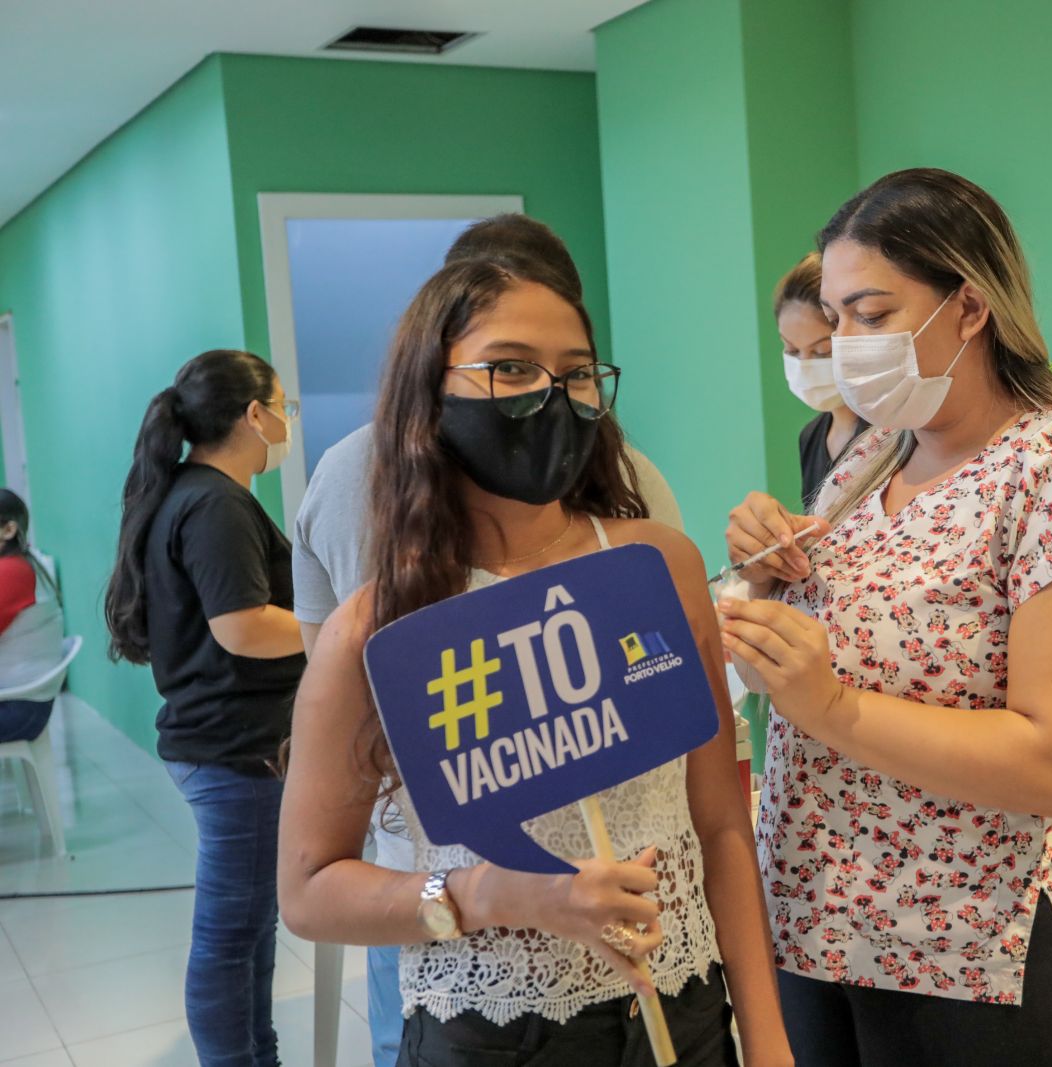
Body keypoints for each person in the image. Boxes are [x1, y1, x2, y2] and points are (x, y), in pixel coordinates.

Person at [277, 254, 791, 1067]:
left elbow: (720, 822)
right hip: (489, 1033)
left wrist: (766, 1040)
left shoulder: (660, 565)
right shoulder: (377, 631)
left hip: (685, 1014)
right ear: (431, 388)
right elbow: (308, 889)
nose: (549, 395)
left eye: (576, 373)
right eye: (510, 367)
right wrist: (498, 896)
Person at [720, 168, 1052, 1067]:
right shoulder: (874, 459)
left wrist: (832, 708)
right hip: (818, 924)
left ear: (969, 307)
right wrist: (766, 575)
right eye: (837, 316)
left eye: (872, 313)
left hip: (968, 951)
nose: (843, 344)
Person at [104, 350, 305, 1067]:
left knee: (249, 924)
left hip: (226, 742)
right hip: (234, 750)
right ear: (254, 415)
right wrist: (336, 626)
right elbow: (242, 627)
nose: (287, 422)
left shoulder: (191, 491)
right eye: (284, 405)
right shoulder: (214, 502)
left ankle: (259, 1054)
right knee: (230, 934)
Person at [773, 252, 867, 510]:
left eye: (823, 352)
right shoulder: (811, 436)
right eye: (792, 350)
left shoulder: (893, 433)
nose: (804, 365)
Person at [0, 490, 65, 743]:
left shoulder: (12, 572)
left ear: (8, 530)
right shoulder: (24, 563)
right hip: (22, 703)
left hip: (18, 710)